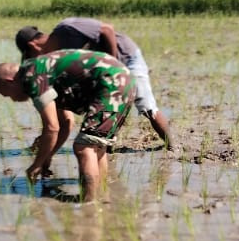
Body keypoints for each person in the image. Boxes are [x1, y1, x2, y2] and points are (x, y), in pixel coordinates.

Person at [0, 50, 135, 202]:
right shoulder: (41, 70)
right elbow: (66, 123)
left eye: (7, 95)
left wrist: (36, 165)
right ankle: (102, 198)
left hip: (111, 83)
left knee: (84, 147)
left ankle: (89, 204)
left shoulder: (31, 77)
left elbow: (51, 128)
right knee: (96, 146)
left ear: (9, 81)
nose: (13, 99)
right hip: (123, 80)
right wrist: (48, 156)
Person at [15, 17, 172, 149]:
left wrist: (113, 62)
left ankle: (172, 147)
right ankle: (105, 146)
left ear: (33, 46)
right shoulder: (57, 56)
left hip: (126, 57)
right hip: (105, 73)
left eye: (31, 56)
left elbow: (107, 30)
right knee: (101, 105)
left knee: (146, 105)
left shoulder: (66, 28)